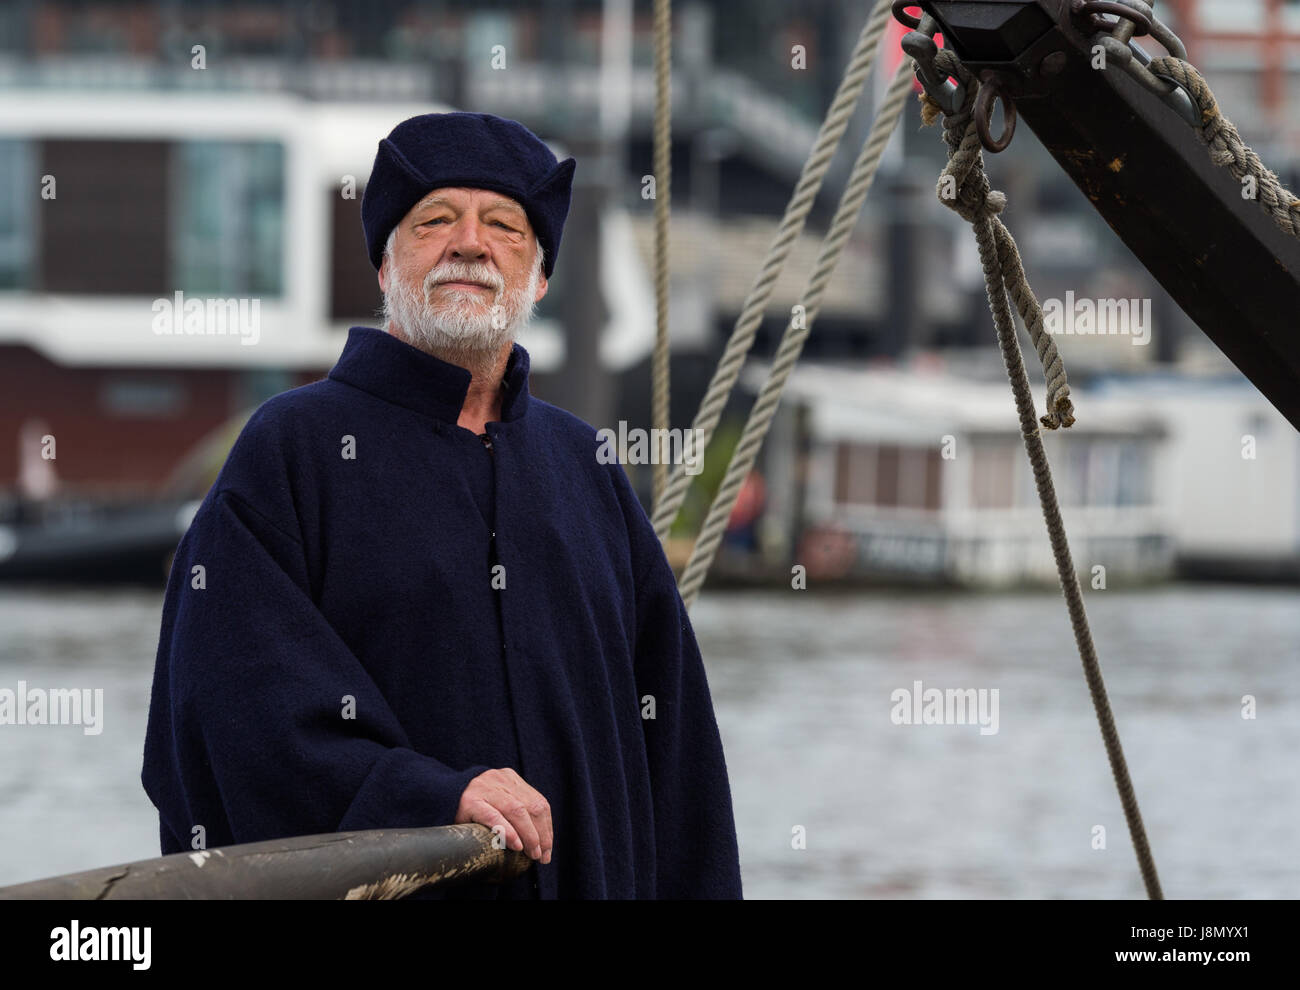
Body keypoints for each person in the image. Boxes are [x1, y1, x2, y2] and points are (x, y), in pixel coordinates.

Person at [141, 111, 743, 900]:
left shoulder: (587, 468)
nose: (470, 242)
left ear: (541, 276)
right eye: (435, 221)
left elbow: (679, 759)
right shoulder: (291, 450)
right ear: (387, 266)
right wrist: (427, 798)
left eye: (504, 225)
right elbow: (227, 713)